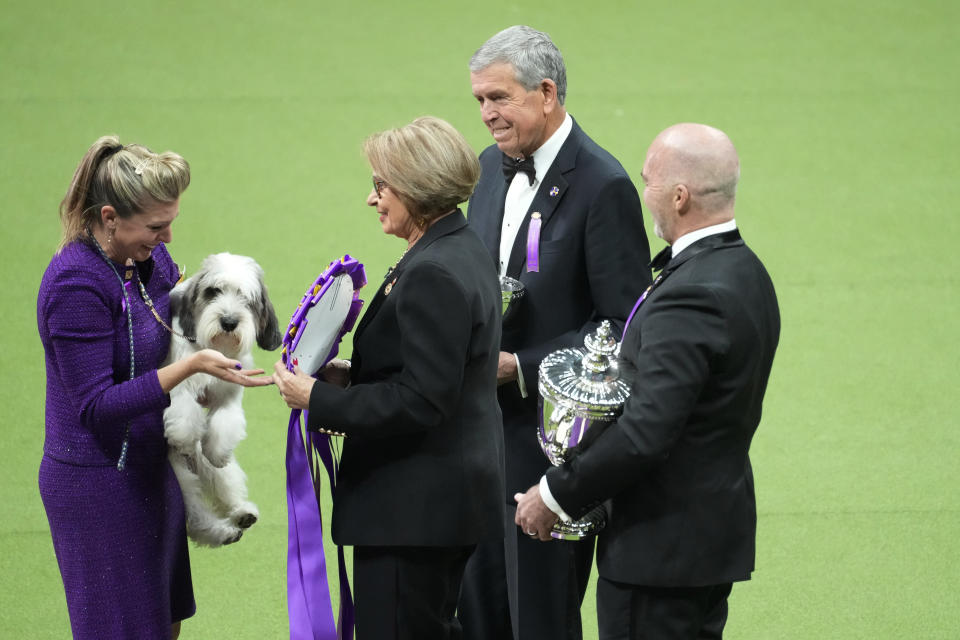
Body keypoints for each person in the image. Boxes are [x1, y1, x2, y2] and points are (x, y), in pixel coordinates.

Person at [515, 123, 781, 639]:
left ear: (680, 197)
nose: (645, 195)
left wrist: (555, 495)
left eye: (648, 182)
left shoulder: (692, 295)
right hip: (702, 540)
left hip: (658, 552)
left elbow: (644, 434)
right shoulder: (747, 271)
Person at [272, 116, 505, 639]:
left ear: (418, 189)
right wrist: (351, 378)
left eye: (382, 186)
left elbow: (423, 400)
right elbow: (436, 369)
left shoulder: (433, 271)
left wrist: (316, 399)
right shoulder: (455, 247)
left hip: (415, 511)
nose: (372, 198)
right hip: (436, 503)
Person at [458, 25, 653, 640]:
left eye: (499, 99)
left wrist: (524, 367)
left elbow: (623, 324)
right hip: (476, 435)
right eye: (480, 101)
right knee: (478, 606)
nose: (487, 115)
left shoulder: (605, 185)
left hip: (552, 442)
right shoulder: (489, 167)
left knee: (539, 615)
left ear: (546, 92)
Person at [37, 136, 272, 639]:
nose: (166, 238)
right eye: (155, 226)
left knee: (163, 625)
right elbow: (96, 406)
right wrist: (186, 373)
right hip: (99, 484)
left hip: (152, 470)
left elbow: (187, 324)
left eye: (170, 223)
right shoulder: (75, 286)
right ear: (109, 217)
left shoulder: (147, 262)